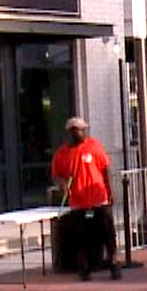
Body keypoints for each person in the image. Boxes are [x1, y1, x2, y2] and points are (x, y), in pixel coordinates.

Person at [50, 117, 118, 281]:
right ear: (70, 132)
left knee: (107, 233)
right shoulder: (62, 154)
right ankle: (84, 267)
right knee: (80, 237)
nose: (82, 133)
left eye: (83, 129)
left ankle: (114, 263)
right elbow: (56, 175)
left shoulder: (94, 146)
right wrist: (62, 184)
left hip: (99, 199)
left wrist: (110, 191)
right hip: (78, 202)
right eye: (78, 130)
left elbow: (105, 168)